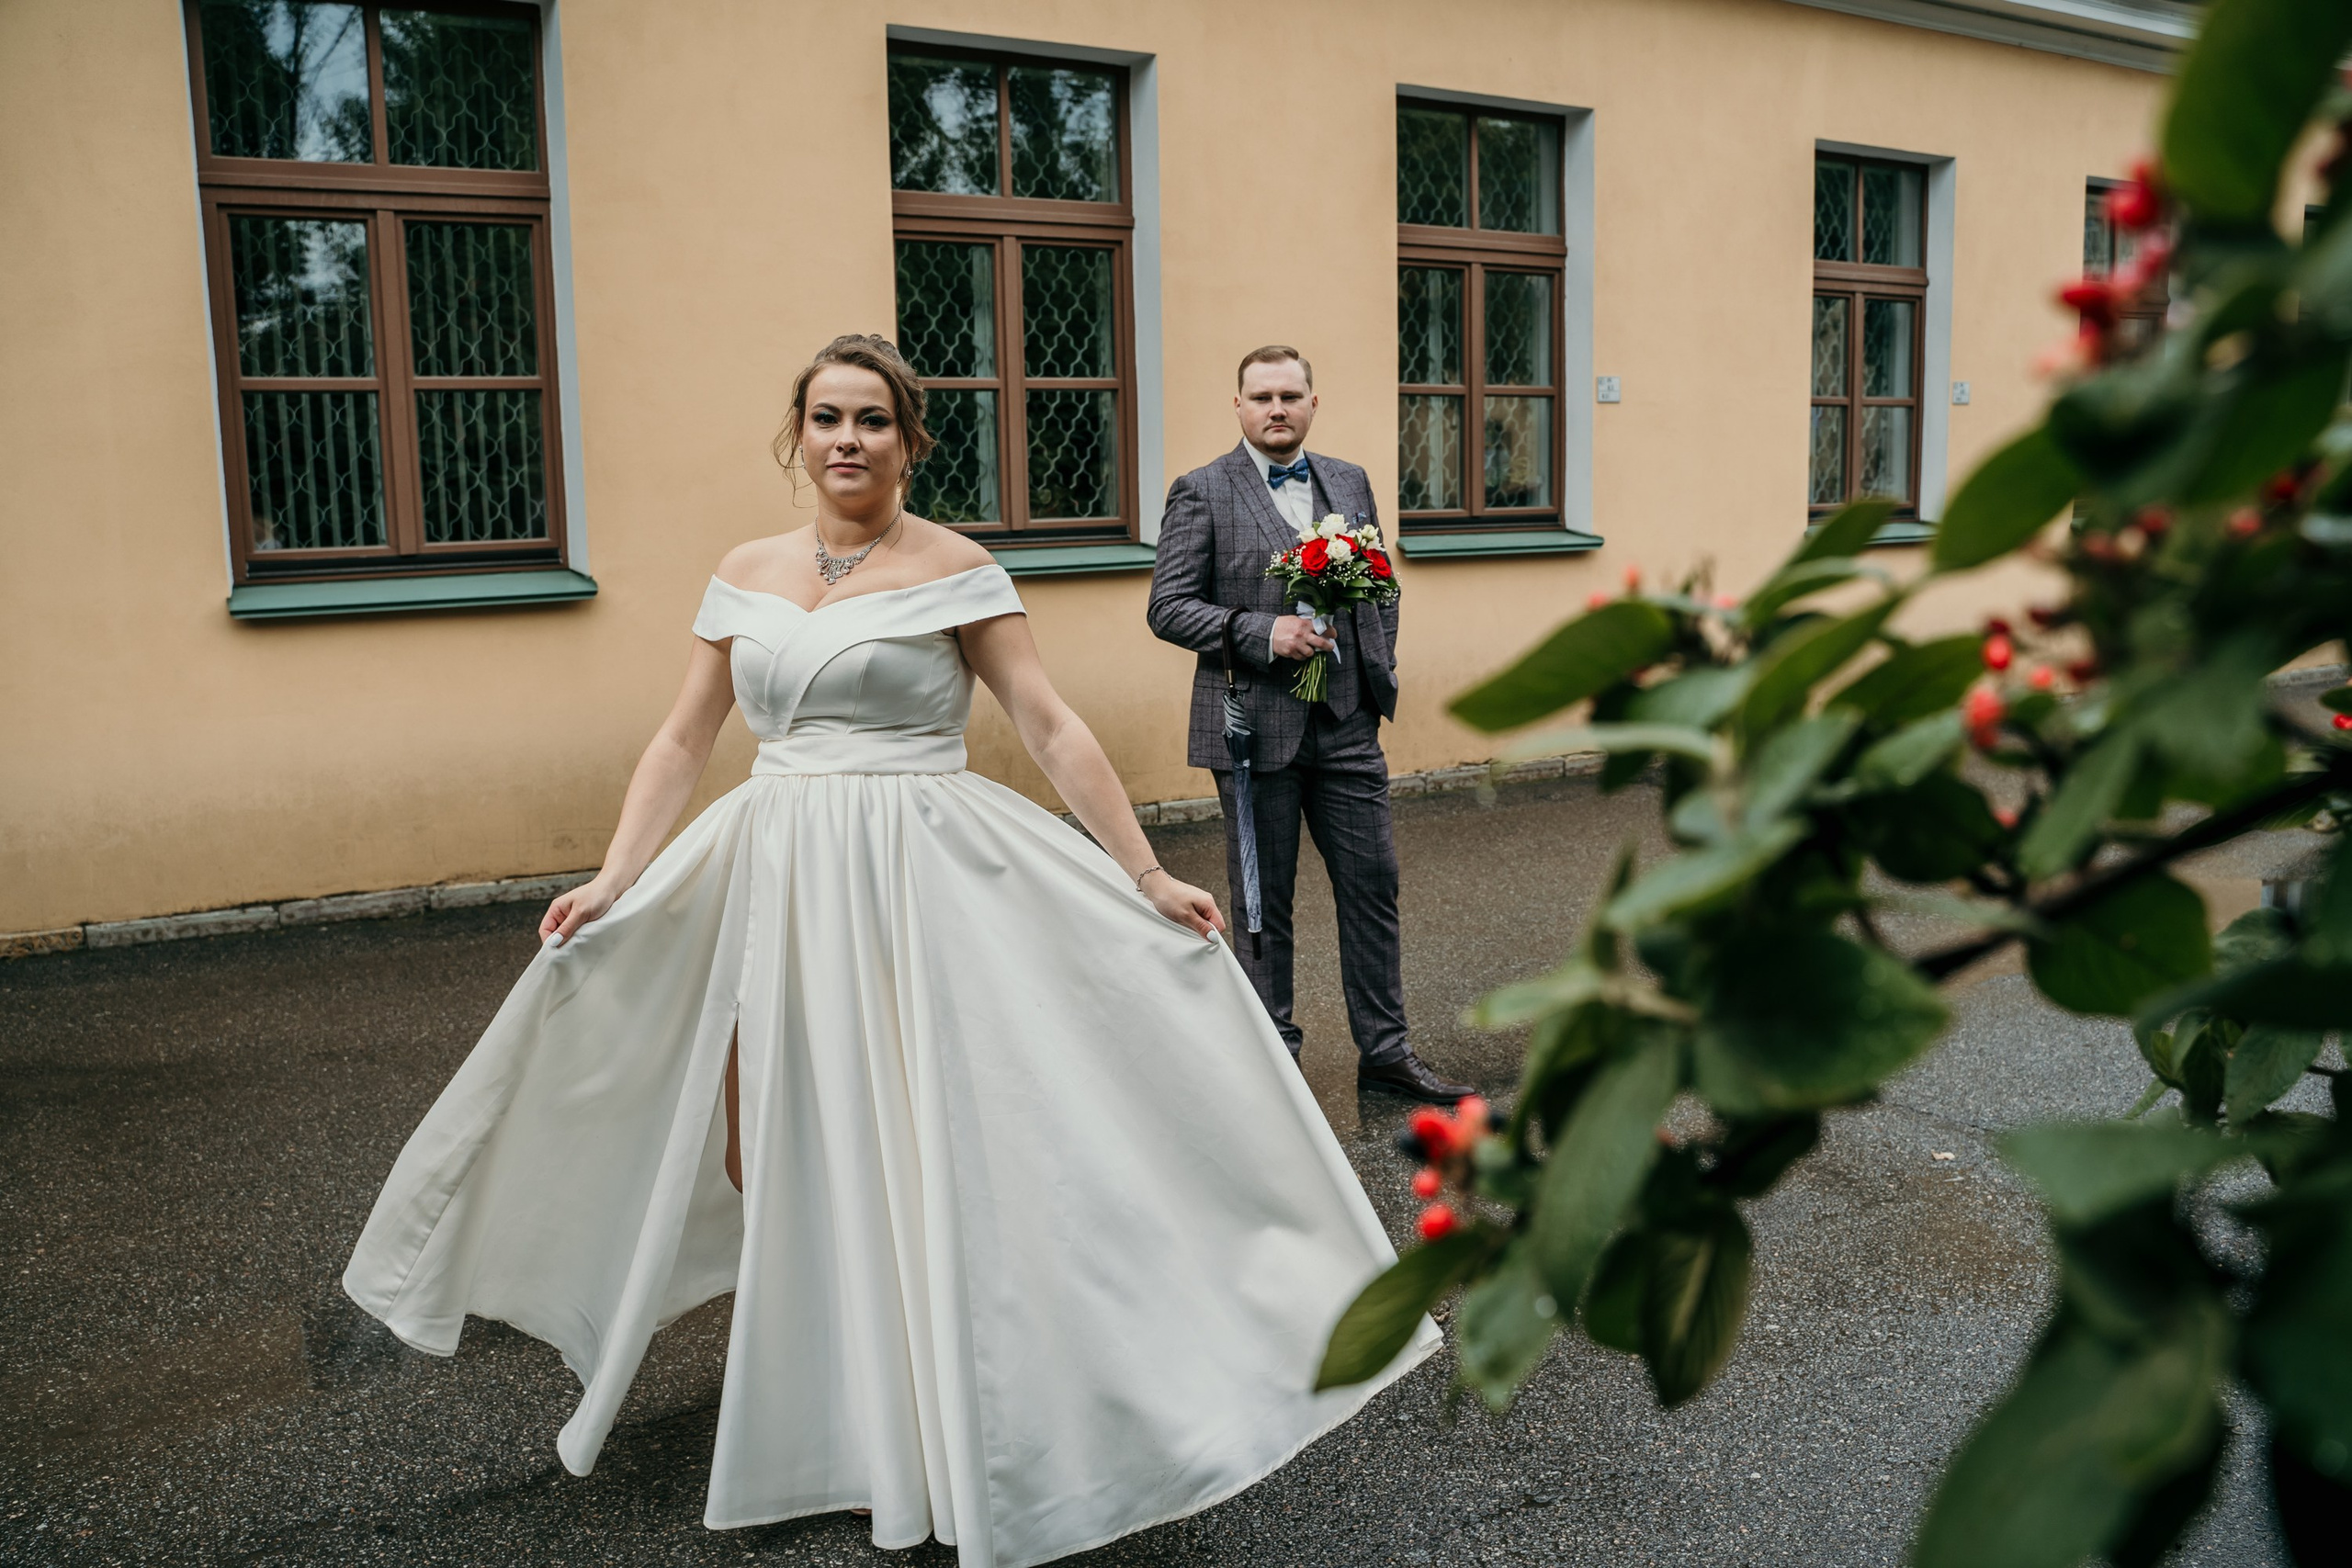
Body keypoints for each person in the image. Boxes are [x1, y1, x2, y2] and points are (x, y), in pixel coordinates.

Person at [343, 334, 1436, 1566]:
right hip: (777, 868)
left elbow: (1048, 720)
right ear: (797, 434)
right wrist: (615, 873)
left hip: (919, 873)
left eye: (872, 419)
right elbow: (682, 738)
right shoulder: (745, 571)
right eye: (826, 417)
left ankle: (915, 1420)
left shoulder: (960, 567)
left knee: (907, 1141)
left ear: (911, 439)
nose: (848, 439)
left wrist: (1141, 868)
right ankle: (821, 1393)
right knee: (773, 1142)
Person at [1147, 345, 1473, 1104]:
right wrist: (1267, 634)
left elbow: (1380, 582)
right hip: (1254, 729)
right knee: (1265, 898)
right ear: (1238, 407)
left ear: (1312, 403)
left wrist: (1372, 661)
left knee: (1374, 885)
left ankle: (1387, 1052)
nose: (1276, 408)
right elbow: (1167, 606)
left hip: (1349, 722)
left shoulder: (1350, 479)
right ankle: (1275, 1059)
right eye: (1261, 396)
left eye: (1290, 394)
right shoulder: (1200, 490)